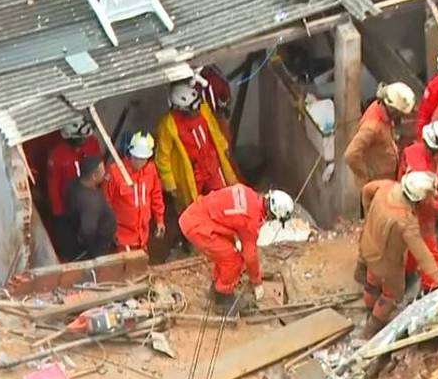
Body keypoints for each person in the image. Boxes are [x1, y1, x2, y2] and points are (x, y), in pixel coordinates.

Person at [358, 172, 438, 339]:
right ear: (417, 199)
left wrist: (367, 211)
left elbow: (366, 190)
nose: (432, 198)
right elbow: (421, 252)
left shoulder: (386, 187)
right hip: (386, 263)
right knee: (389, 296)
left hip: (367, 245)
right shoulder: (405, 221)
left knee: (372, 282)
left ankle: (368, 309)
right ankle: (370, 331)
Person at [178, 185, 294, 314]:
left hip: (198, 214)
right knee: (233, 260)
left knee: (226, 251)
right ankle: (223, 299)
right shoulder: (251, 220)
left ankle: (216, 289)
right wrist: (256, 282)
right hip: (198, 226)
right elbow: (250, 256)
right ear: (273, 213)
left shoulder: (249, 193)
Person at [156, 77, 238, 212]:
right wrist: (169, 181)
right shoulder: (169, 125)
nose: (196, 111)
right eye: (192, 109)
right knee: (194, 207)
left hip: (212, 164)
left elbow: (214, 130)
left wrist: (223, 147)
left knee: (224, 196)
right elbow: (163, 156)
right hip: (192, 173)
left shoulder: (204, 110)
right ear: (181, 108)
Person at [398, 121, 438, 292]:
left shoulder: (417, 151)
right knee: (430, 254)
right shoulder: (420, 170)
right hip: (417, 213)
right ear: (437, 149)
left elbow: (435, 170)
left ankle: (408, 273)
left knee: (412, 250)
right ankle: (430, 288)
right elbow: (426, 204)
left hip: (411, 206)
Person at [344, 82, 416, 189]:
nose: (401, 115)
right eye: (400, 112)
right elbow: (350, 154)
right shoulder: (372, 127)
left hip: (387, 175)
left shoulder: (380, 110)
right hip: (378, 184)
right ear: (392, 109)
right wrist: (367, 175)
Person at [103, 132, 166, 251]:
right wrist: (110, 230)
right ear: (130, 153)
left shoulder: (151, 170)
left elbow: (156, 195)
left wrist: (159, 220)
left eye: (143, 159)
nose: (139, 162)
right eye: (136, 158)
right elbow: (106, 203)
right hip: (122, 236)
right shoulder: (115, 172)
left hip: (143, 234)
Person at [47, 119, 101, 252]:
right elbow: (54, 186)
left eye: (84, 138)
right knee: (70, 244)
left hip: (90, 202)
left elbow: (99, 170)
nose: (82, 141)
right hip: (69, 207)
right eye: (78, 139)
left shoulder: (92, 144)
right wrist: (59, 213)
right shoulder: (57, 155)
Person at [61, 156, 116, 262]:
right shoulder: (91, 201)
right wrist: (95, 252)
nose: (105, 175)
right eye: (102, 172)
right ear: (94, 176)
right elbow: (88, 231)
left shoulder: (73, 185)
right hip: (97, 250)